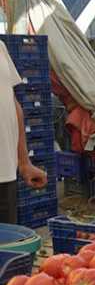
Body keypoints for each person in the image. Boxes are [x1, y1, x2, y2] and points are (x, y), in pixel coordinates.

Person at [0, 42, 48, 224]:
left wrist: (24, 162)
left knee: (7, 246)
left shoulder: (1, 47)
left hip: (5, 174)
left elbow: (12, 104)